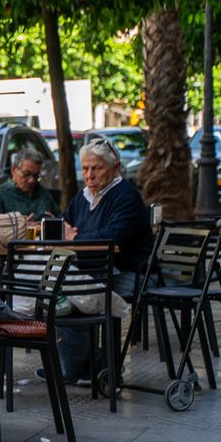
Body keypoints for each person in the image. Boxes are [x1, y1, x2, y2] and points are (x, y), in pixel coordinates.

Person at [54, 137, 153, 383]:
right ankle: (83, 366)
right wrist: (69, 233)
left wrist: (76, 238)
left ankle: (81, 369)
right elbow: (64, 222)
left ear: (115, 167)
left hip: (128, 272)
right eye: (85, 168)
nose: (89, 174)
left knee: (74, 298)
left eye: (96, 168)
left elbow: (113, 236)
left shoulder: (125, 196)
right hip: (93, 269)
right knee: (59, 298)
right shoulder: (83, 196)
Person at [0, 150, 60, 218]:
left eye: (36, 175)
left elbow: (60, 219)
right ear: (13, 170)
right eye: (26, 174)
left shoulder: (43, 194)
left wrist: (52, 220)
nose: (32, 180)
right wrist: (20, 227)